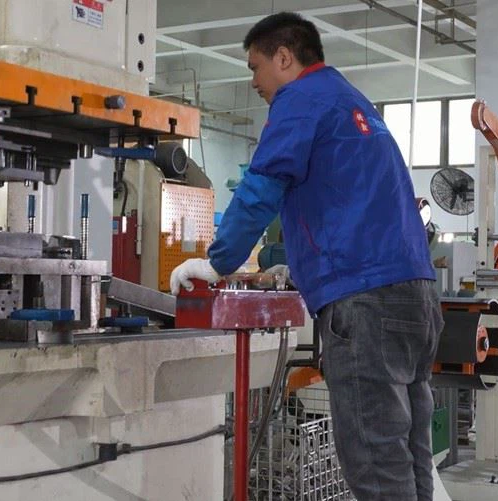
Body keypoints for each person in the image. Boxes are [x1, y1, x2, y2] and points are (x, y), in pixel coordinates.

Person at [169, 12, 444, 501]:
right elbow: (351, 203)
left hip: (366, 305)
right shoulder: (352, 102)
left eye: (255, 67)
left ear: (283, 57)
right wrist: (298, 267)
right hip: (416, 298)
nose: (253, 82)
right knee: (410, 458)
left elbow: (261, 188)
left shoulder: (300, 99)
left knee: (377, 467)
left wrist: (217, 262)